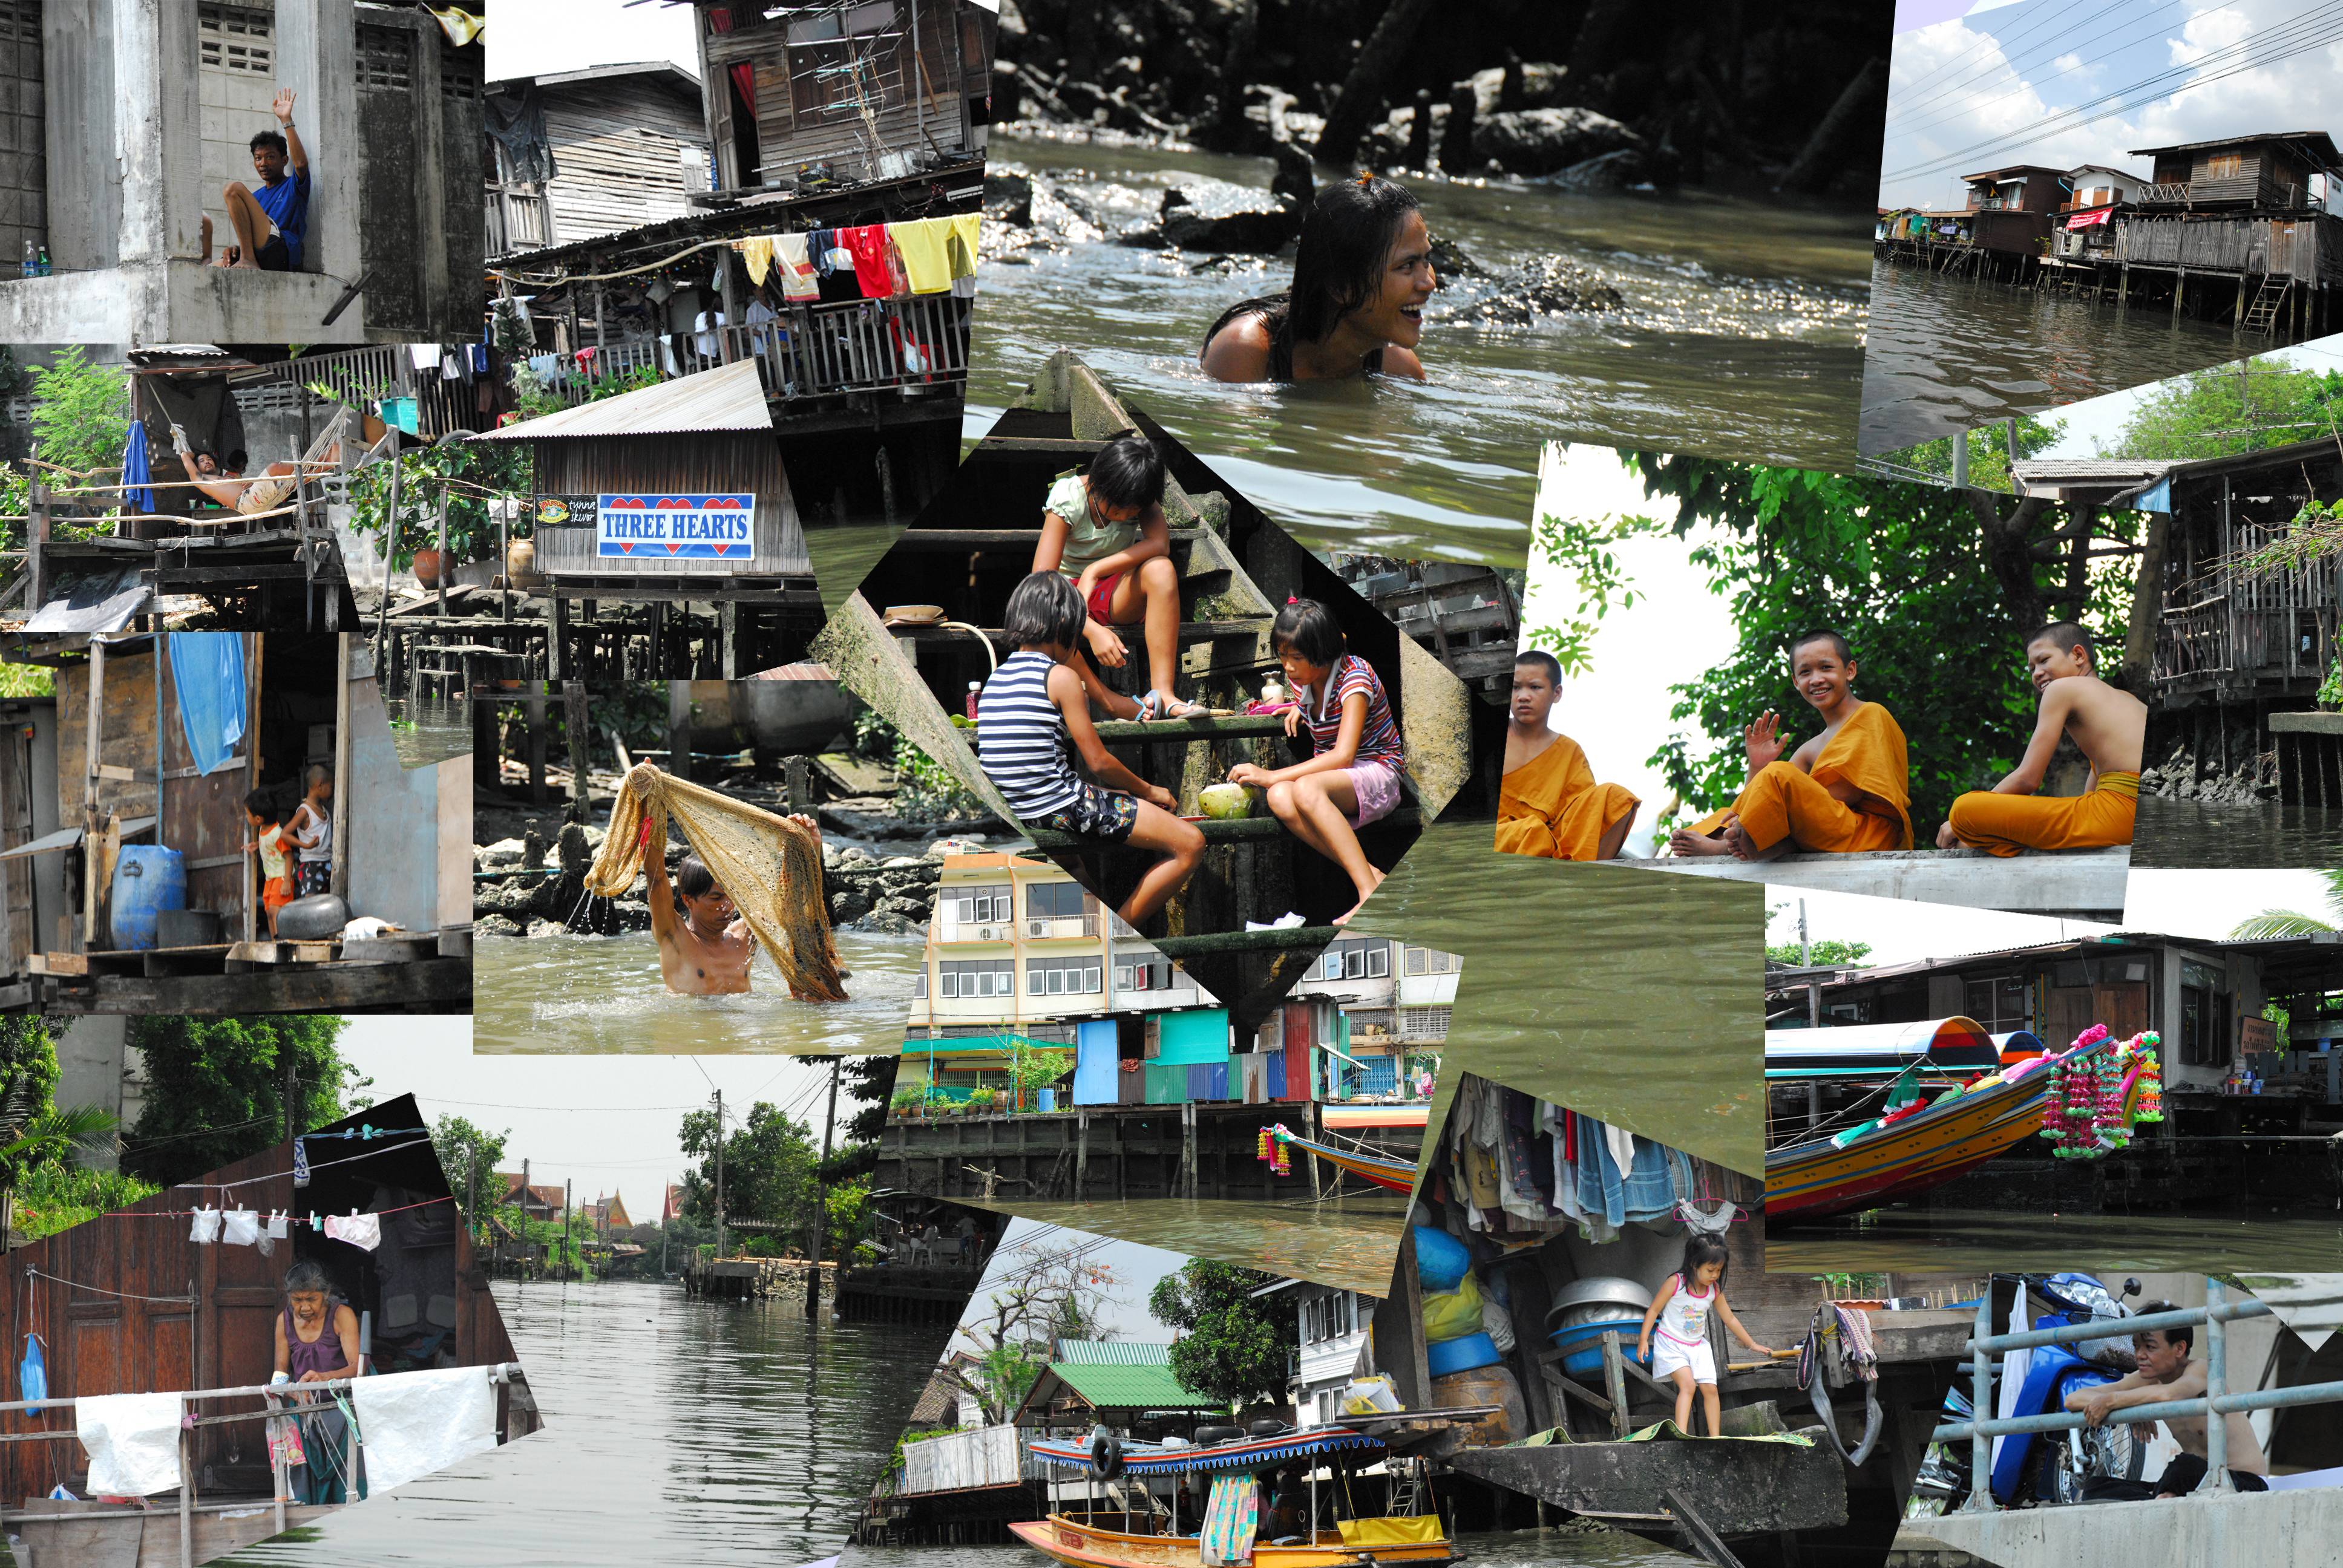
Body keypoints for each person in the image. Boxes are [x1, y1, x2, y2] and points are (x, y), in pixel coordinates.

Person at [976, 572, 1204, 926]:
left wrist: (1106, 793)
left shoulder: (995, 680)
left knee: (1076, 871)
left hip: (1021, 809)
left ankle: (1088, 936)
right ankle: (1118, 936)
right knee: (1190, 844)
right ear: (1066, 622)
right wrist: (1147, 791)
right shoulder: (1061, 677)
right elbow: (1098, 761)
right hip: (1058, 806)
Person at [1227, 598, 1405, 925]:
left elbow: (1343, 755)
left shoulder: (1355, 679)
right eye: (1283, 656)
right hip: (1336, 778)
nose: (1288, 667)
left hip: (1378, 770)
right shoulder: (1302, 680)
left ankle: (1366, 892)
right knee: (1279, 797)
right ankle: (1373, 875)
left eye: (1296, 658)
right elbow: (1310, 702)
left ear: (1324, 653)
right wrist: (1299, 705)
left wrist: (1270, 775)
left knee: (1298, 788)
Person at [1669, 630, 1913, 860]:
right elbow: (1753, 801)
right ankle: (1757, 841)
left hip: (1867, 835)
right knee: (1730, 811)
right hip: (1824, 829)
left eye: (1826, 668)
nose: (1816, 679)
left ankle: (1729, 845)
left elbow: (1847, 792)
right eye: (1805, 672)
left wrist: (1786, 809)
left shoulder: (1870, 714)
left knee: (1780, 775)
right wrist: (1757, 766)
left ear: (1849, 670)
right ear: (1796, 682)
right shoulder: (1810, 747)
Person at [1032, 433, 1205, 722]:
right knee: (1045, 612)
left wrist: (1095, 570)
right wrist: (1089, 628)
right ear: (1100, 482)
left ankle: (1164, 694)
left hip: (1112, 590)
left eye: (1132, 511)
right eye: (1116, 508)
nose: (1124, 517)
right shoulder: (1068, 496)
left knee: (1161, 568)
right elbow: (1041, 580)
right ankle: (1108, 701)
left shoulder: (1139, 491)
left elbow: (1160, 545)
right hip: (1064, 598)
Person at [1201, 174, 1435, 382]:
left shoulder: (1399, 368)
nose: (1429, 283)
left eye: (1427, 260)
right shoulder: (1246, 351)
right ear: (1341, 286)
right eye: (1407, 266)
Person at [1938, 622, 2145, 855]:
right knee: (1975, 834)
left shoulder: (2062, 689)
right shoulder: (2128, 699)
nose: (2036, 673)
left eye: (2044, 660)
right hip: (2139, 810)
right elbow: (2091, 795)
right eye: (2031, 668)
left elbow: (2028, 778)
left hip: (2122, 813)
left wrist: (1957, 825)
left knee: (1965, 809)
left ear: (2078, 655)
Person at [2066, 1306, 2268, 1495]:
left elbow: (2169, 1394)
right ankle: (2162, 1497)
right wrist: (2127, 1406)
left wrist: (2116, 1401)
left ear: (2179, 1349)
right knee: (2098, 1487)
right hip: (2194, 1481)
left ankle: (2163, 1496)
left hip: (2243, 1482)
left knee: (2184, 1466)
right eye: (2136, 1346)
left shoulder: (2202, 1370)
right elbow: (2073, 1399)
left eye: (2150, 1347)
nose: (2139, 1355)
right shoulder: (2147, 1379)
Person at [1494, 649, 1640, 860]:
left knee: (1616, 797)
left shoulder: (1568, 751)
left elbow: (1580, 815)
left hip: (1550, 841)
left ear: (1557, 693)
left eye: (1535, 687)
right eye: (1516, 688)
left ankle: (1591, 874)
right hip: (1506, 837)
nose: (1523, 696)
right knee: (1531, 832)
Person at [1636, 1235, 1775, 1439]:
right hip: (1671, 1344)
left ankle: (1715, 1437)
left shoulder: (1714, 1290)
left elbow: (1730, 1319)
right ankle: (1681, 1435)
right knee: (1688, 1385)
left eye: (1719, 1270)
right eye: (1711, 1270)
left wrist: (1752, 1344)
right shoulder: (1676, 1283)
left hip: (1698, 1346)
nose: (1715, 1275)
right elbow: (1653, 1310)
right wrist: (1643, 1340)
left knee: (1710, 1389)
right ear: (1694, 1264)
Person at [270, 1258, 363, 1505]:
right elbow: (280, 1372)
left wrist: (323, 1378)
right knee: (296, 1452)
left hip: (343, 1406)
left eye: (311, 1299)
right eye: (297, 1300)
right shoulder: (284, 1320)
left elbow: (357, 1368)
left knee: (348, 1468)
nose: (304, 1308)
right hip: (305, 1406)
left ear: (326, 1294)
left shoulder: (341, 1315)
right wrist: (288, 1391)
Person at [203, 90, 310, 272]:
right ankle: (244, 256)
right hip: (260, 253)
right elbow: (252, 235)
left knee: (233, 190)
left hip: (282, 251)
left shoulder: (292, 186)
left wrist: (286, 120)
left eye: (270, 157)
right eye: (258, 158)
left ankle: (248, 258)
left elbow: (300, 164)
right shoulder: (256, 197)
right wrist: (235, 250)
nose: (263, 163)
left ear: (284, 160)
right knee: (209, 270)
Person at [244, 788, 294, 937]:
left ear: (258, 819)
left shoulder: (278, 834)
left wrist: (286, 881)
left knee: (276, 911)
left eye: (247, 814)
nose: (246, 817)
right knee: (268, 912)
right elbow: (271, 845)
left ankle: (282, 940)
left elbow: (289, 856)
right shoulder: (263, 829)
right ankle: (275, 942)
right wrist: (258, 845)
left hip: (281, 877)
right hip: (270, 879)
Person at [287, 765, 332, 898]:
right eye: (331, 787)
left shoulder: (323, 809)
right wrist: (306, 845)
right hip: (311, 866)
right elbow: (285, 834)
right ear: (320, 785)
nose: (332, 791)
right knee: (310, 905)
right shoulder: (304, 811)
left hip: (327, 863)